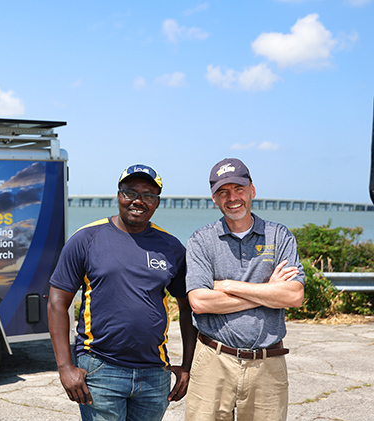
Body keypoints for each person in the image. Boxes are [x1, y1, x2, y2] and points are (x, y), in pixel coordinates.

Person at [48, 164, 197, 421]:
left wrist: (187, 366)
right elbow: (57, 302)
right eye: (130, 192)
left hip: (154, 372)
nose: (138, 201)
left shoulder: (171, 247)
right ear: (118, 195)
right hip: (100, 368)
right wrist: (65, 367)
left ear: (157, 202)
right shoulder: (86, 239)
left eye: (148, 195)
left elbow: (188, 308)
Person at [185, 158, 305, 421]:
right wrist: (268, 292)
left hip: (268, 362)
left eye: (238, 189)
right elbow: (200, 302)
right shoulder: (201, 240)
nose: (232, 197)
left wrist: (228, 286)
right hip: (213, 360)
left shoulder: (279, 236)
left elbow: (294, 295)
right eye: (223, 192)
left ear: (252, 190)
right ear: (214, 198)